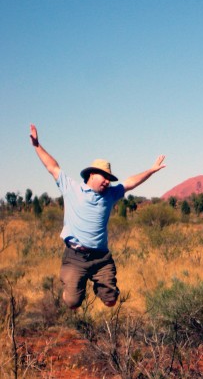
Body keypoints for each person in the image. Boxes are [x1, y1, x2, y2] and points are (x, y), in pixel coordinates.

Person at [29, 124, 166, 309]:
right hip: (75, 256)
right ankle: (73, 286)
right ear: (92, 174)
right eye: (104, 176)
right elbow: (53, 167)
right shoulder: (72, 188)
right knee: (72, 303)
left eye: (109, 178)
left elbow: (130, 183)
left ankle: (96, 282)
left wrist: (151, 170)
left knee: (111, 300)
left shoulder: (111, 193)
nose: (108, 181)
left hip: (101, 256)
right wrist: (37, 145)